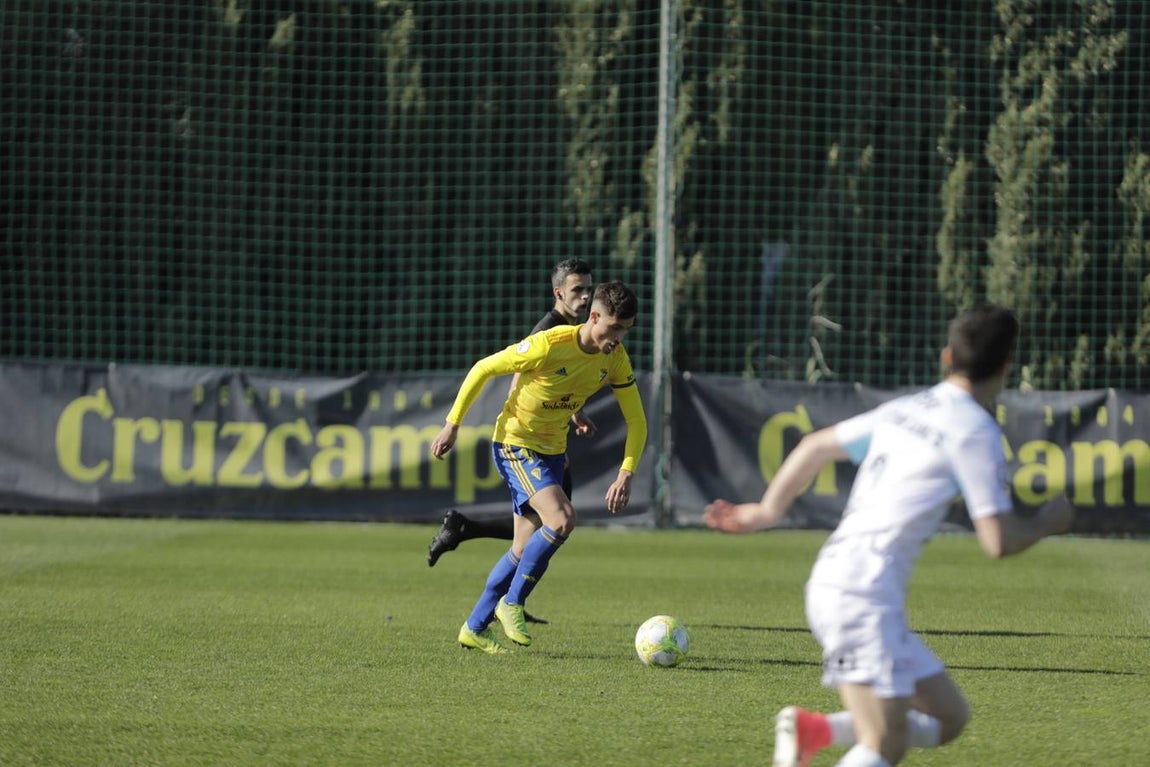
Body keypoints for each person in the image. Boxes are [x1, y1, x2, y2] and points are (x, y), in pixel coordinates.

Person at [704, 303, 1074, 767]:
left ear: (946, 357)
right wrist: (1048, 521)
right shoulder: (976, 431)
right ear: (1004, 369)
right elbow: (997, 542)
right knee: (885, 744)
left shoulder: (907, 408)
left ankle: (814, 730)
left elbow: (814, 445)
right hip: (862, 594)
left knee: (949, 717)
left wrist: (765, 510)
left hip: (847, 581)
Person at [431, 280, 646, 654]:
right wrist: (453, 423)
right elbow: (483, 368)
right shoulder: (550, 344)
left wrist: (626, 471)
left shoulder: (615, 358)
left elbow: (637, 420)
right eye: (613, 327)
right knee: (562, 519)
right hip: (515, 444)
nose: (618, 337)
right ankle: (511, 603)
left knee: (521, 547)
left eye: (625, 329)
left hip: (551, 452)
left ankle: (475, 626)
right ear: (594, 316)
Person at [426, 258, 598, 573]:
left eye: (589, 289)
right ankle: (507, 595)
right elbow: (515, 382)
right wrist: (452, 426)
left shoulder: (573, 331)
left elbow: (556, 385)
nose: (585, 297)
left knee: (540, 526)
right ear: (558, 293)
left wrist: (576, 411)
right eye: (577, 290)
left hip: (545, 440)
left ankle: (469, 536)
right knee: (553, 522)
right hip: (528, 443)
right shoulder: (547, 332)